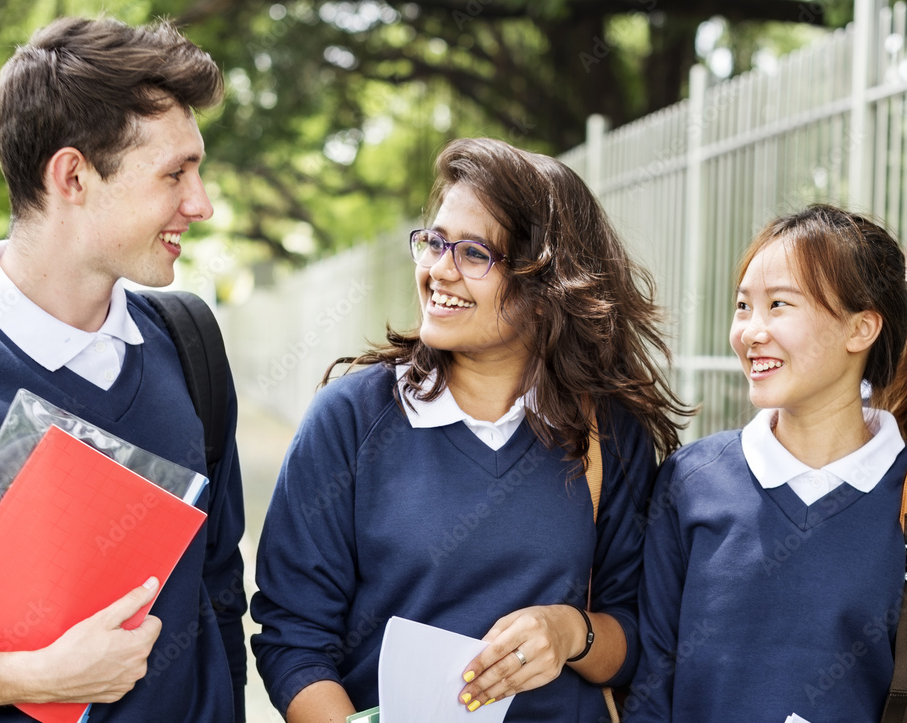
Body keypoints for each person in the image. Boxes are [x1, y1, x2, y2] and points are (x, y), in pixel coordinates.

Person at [251, 137, 689, 722]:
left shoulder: (610, 434)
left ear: (545, 289)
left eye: (474, 254)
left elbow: (638, 637)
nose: (438, 270)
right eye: (433, 242)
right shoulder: (351, 418)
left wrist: (570, 632)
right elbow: (294, 637)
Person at [0, 17, 246, 722]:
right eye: (175, 173)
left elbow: (219, 587)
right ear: (73, 176)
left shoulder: (191, 347)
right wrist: (32, 674)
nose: (201, 203)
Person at [627, 205, 907, 722]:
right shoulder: (691, 483)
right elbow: (652, 684)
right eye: (742, 306)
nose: (751, 331)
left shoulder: (900, 498)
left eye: (778, 305)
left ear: (861, 328)